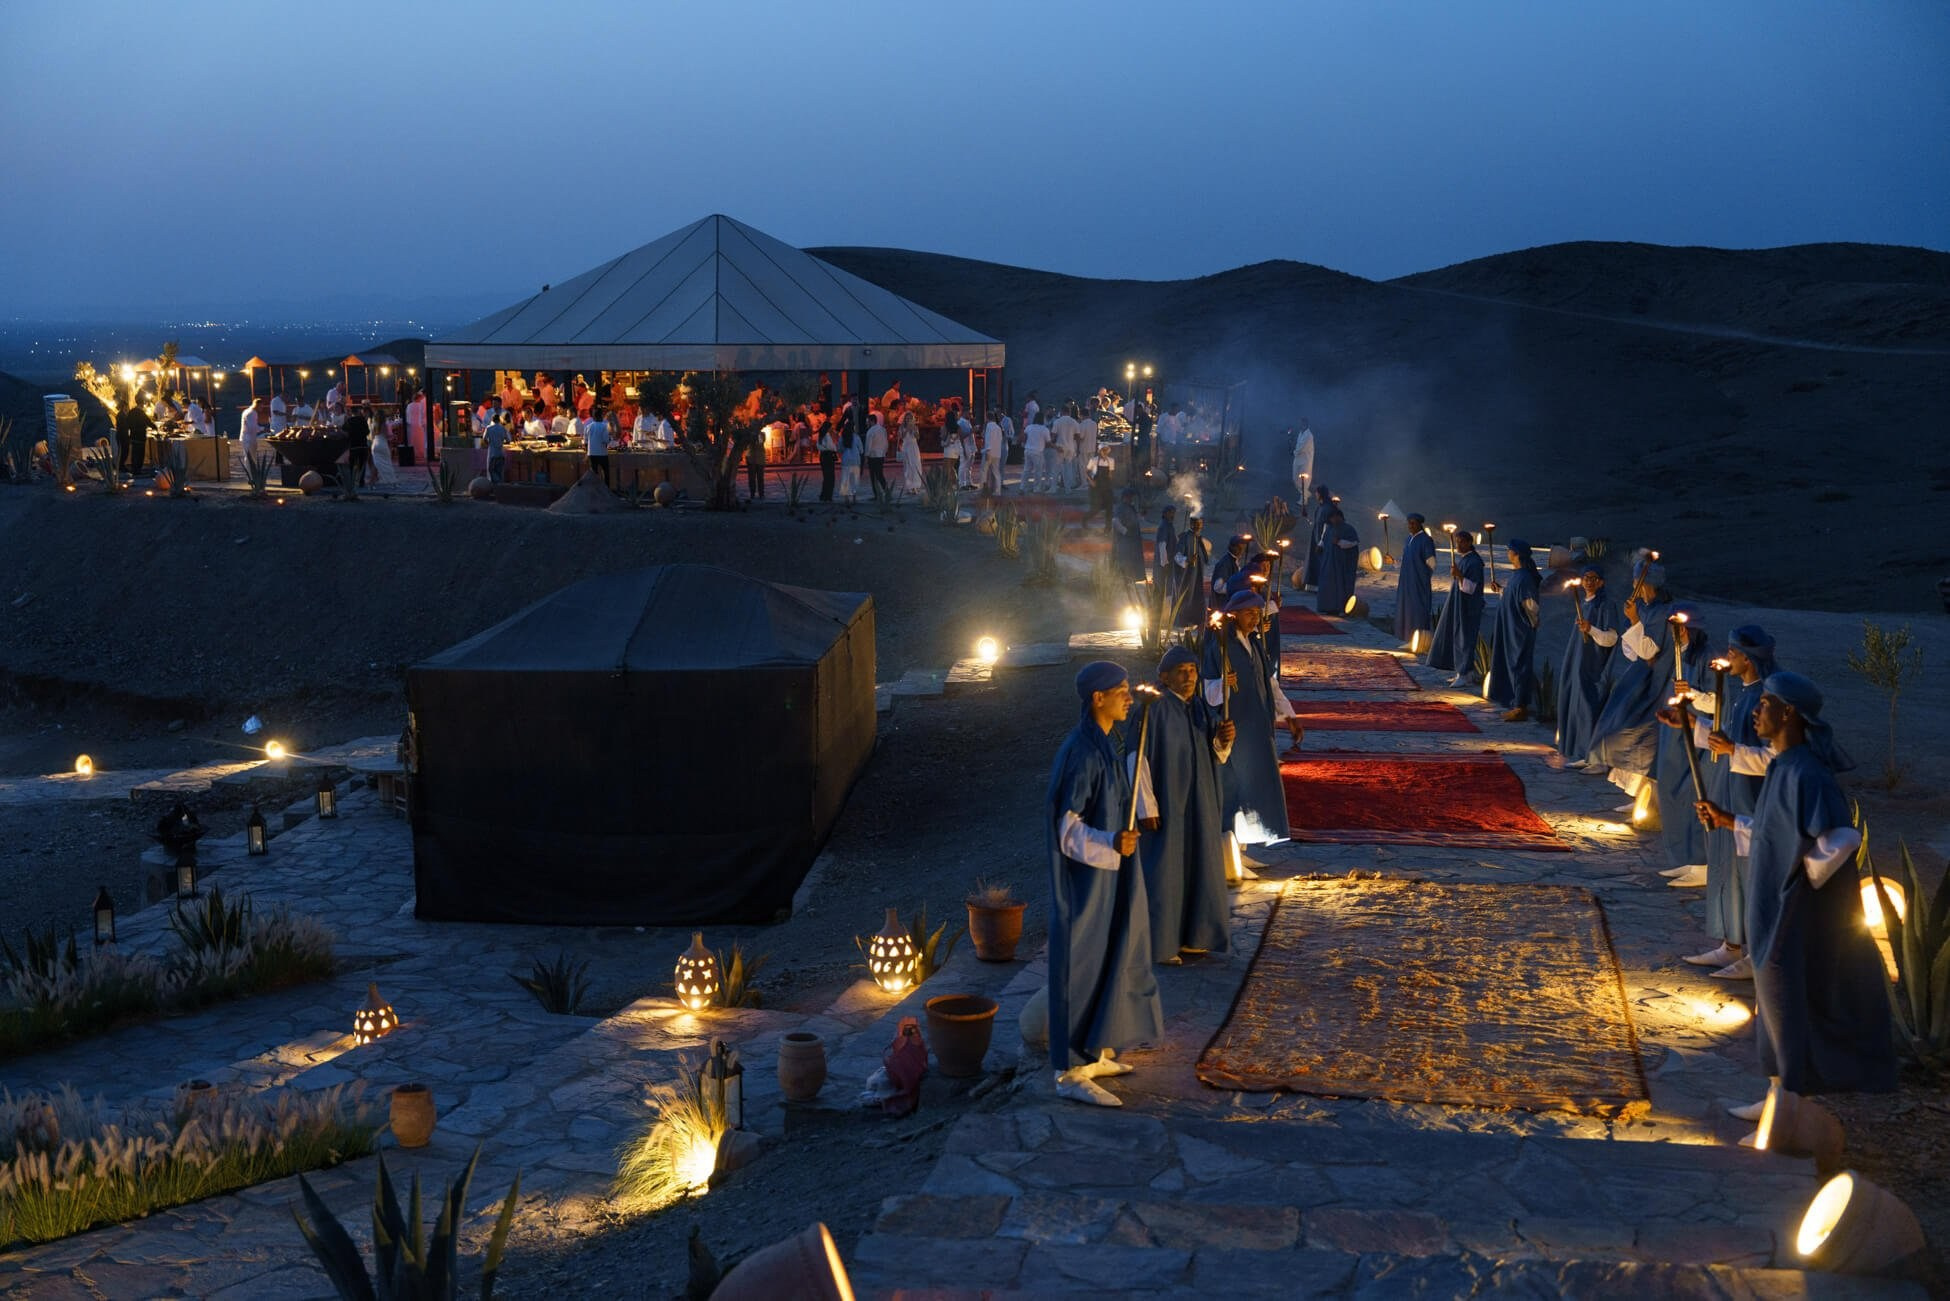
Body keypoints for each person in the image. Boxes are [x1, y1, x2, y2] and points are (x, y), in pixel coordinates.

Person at [1696, 672, 1895, 1118]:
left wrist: (1798, 880)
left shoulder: (1807, 772)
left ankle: (1790, 1101)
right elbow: (1778, 831)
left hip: (1792, 909)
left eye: (1765, 704)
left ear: (1789, 713)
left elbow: (1841, 837)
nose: (1756, 711)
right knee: (1771, 995)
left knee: (1786, 993)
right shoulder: (1783, 766)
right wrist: (1730, 821)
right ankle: (1778, 1093)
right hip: (1773, 903)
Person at [1046, 661, 1163, 1107]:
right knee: (1080, 963)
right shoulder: (1081, 753)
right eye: (1121, 691)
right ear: (1098, 698)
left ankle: (1092, 1051)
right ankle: (1069, 1070)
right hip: (1085, 884)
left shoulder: (1106, 745)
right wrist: (1111, 841)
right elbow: (1066, 829)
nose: (1129, 699)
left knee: (1109, 956)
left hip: (1111, 874)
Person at [1682, 626, 1777, 980]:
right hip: (1731, 789)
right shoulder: (1744, 694)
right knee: (1727, 865)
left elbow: (1776, 757)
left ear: (1749, 659)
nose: (1727, 658)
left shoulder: (1767, 697)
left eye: (1733, 653)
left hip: (1750, 797)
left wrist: (1733, 749)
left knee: (1750, 872)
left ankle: (1755, 952)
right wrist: (1696, 725)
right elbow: (1730, 739)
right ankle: (1731, 943)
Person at [1134, 646, 1236, 964]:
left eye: (1192, 670)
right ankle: (1162, 944)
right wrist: (1146, 807)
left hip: (1199, 802)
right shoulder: (1153, 709)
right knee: (1166, 870)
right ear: (1164, 677)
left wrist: (1224, 739)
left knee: (1200, 866)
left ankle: (1196, 935)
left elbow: (1215, 754)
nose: (1189, 676)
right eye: (1181, 671)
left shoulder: (1199, 707)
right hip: (1169, 804)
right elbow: (1136, 760)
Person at [1201, 589, 1302, 846]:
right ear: (1234, 614)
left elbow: (1270, 682)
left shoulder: (1255, 643)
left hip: (1259, 727)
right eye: (1249, 613)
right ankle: (1230, 847)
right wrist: (1223, 685)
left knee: (1258, 786)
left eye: (1257, 613)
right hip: (1237, 728)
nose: (1255, 618)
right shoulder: (1220, 646)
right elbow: (1207, 692)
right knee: (1235, 786)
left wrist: (1289, 715)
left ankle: (1244, 846)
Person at [1585, 563, 1674, 803]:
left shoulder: (1661, 612)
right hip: (1638, 676)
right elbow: (1632, 651)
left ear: (1645, 584)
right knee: (1618, 724)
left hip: (1656, 683)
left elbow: (1649, 650)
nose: (1633, 585)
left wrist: (1635, 621)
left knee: (1640, 734)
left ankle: (1644, 797)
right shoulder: (1643, 608)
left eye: (1636, 581)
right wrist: (1634, 621)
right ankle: (1635, 793)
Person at [1553, 567, 1623, 770]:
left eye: (1593, 578)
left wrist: (1590, 629)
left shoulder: (1606, 605)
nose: (1588, 581)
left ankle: (1593, 756)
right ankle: (1580, 751)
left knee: (1588, 705)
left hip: (1593, 664)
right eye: (1586, 577)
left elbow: (1611, 638)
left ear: (1601, 582)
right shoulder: (1584, 603)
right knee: (1577, 704)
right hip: (1578, 661)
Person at [1486, 539, 1544, 721]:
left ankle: (1520, 706)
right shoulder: (1518, 575)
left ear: (1517, 554)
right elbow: (1514, 596)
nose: (1508, 553)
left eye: (1509, 550)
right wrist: (1501, 590)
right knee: (1511, 662)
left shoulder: (1524, 578)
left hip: (1519, 630)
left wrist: (1532, 623)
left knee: (1518, 664)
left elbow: (1531, 605)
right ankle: (1513, 701)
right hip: (1511, 627)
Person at [1425, 529, 1486, 686]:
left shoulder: (1474, 562)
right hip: (1460, 605)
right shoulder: (1466, 559)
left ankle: (1464, 673)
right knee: (1458, 636)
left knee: (1465, 639)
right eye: (1457, 542)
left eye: (1461, 542)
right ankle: (1463, 672)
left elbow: (1471, 588)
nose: (1458, 545)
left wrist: (1459, 575)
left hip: (1468, 608)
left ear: (1469, 542)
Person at [1394, 513, 1435, 647]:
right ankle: (1407, 639)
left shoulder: (1426, 540)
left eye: (1413, 523)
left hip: (1418, 582)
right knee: (1407, 609)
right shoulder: (1408, 539)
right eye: (1409, 523)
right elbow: (1407, 559)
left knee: (1417, 609)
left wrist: (1422, 576)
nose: (1410, 526)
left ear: (1419, 524)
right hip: (1406, 581)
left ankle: (1419, 640)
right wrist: (1394, 561)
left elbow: (1431, 563)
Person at [1315, 507, 1359, 617]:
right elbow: (1324, 540)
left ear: (1340, 517)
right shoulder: (1329, 529)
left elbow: (1353, 543)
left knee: (1341, 585)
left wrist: (1339, 542)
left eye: (1334, 517)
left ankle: (1341, 608)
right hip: (1329, 562)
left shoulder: (1348, 529)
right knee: (1327, 584)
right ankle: (1327, 607)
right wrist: (1320, 546)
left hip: (1342, 564)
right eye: (1331, 518)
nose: (1333, 520)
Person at [1173, 514, 1211, 627]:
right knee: (1187, 598)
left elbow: (1205, 557)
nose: (1198, 526)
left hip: (1198, 575)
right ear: (1191, 524)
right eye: (1196, 524)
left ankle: (1196, 622)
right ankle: (1184, 623)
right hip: (1187, 577)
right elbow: (1177, 556)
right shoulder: (1185, 537)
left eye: (1200, 524)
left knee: (1197, 598)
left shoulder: (1199, 538)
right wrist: (1187, 560)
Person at [1112, 488, 1146, 584]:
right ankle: (1125, 581)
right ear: (1125, 497)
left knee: (1132, 562)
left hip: (1133, 541)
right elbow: (1115, 521)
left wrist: (1141, 516)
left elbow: (1134, 519)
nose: (1131, 499)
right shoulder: (1121, 508)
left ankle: (1131, 580)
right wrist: (1125, 531)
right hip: (1125, 541)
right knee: (1126, 561)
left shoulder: (1130, 507)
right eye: (1130, 497)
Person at [1302, 484, 1334, 588]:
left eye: (1316, 493)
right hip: (1316, 540)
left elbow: (1327, 526)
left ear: (1320, 494)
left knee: (1323, 564)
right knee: (1315, 564)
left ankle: (1323, 587)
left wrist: (1321, 543)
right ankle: (1314, 587)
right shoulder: (1320, 507)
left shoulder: (1328, 508)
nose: (1315, 494)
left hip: (1323, 542)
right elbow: (1316, 523)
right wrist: (1306, 517)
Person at [116, 396, 155, 477]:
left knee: (134, 453)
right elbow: (148, 422)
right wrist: (155, 427)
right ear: (142, 404)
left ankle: (134, 469)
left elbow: (127, 423)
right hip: (140, 436)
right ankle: (138, 470)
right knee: (140, 454)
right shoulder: (141, 413)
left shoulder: (131, 412)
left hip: (133, 436)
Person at [1209, 533, 1252, 604]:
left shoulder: (1234, 561)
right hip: (1222, 605)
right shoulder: (1225, 563)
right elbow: (1218, 587)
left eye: (1244, 547)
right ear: (1234, 548)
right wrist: (1238, 587)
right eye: (1241, 547)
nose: (1243, 550)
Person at [344, 404, 372, 486]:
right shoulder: (363, 420)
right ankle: (361, 481)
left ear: (351, 412)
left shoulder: (349, 421)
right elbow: (367, 432)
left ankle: (352, 481)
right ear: (358, 412)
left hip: (353, 446)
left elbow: (344, 430)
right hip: (363, 445)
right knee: (362, 465)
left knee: (352, 465)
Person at [1021, 411, 1049, 494]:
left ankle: (1022, 487)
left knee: (1026, 470)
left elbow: (1024, 438)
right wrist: (1056, 447)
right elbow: (1048, 442)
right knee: (1038, 471)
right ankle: (1036, 488)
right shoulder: (1044, 429)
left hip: (1027, 450)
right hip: (1038, 452)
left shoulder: (1029, 427)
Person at [898, 410, 925, 495]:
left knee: (916, 465)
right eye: (907, 418)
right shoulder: (902, 427)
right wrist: (907, 430)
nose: (908, 420)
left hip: (914, 447)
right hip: (906, 447)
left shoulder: (915, 427)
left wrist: (914, 430)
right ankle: (909, 486)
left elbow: (918, 437)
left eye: (910, 418)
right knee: (908, 466)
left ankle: (916, 485)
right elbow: (901, 437)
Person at [864, 413, 889, 502]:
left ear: (871, 421)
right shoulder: (883, 429)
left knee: (874, 476)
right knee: (880, 474)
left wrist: (866, 456)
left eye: (867, 421)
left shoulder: (870, 431)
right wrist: (884, 452)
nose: (866, 423)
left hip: (873, 456)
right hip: (881, 455)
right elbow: (886, 443)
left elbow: (868, 445)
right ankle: (886, 491)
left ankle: (877, 494)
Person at [980, 412, 1006, 495]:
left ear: (987, 418)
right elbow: (1000, 439)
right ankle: (998, 491)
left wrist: (987, 450)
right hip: (997, 452)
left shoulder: (989, 426)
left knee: (984, 470)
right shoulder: (998, 427)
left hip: (989, 452)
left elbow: (988, 439)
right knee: (996, 472)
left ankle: (983, 489)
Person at [584, 407, 611, 486]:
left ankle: (594, 491)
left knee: (594, 475)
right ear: (601, 416)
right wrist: (609, 439)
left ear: (593, 417)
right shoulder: (605, 426)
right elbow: (606, 440)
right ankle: (606, 490)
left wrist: (587, 452)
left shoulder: (588, 427)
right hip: (602, 453)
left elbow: (585, 442)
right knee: (605, 473)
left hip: (591, 454)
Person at [1290, 419, 1315, 501]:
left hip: (1306, 461)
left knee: (1304, 480)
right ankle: (1306, 493)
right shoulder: (1300, 433)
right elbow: (1298, 445)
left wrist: (1294, 452)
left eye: (1302, 424)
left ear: (1305, 424)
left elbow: (1302, 447)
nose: (1300, 425)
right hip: (1298, 459)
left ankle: (1304, 500)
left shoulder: (1309, 436)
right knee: (1295, 479)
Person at [838, 420, 862, 502]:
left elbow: (839, 449)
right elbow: (861, 449)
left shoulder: (842, 437)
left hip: (846, 459)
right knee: (854, 479)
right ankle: (854, 497)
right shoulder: (856, 437)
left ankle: (846, 498)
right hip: (855, 459)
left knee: (845, 479)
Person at [239, 397, 268, 463]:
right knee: (251, 458)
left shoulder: (246, 411)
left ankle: (249, 469)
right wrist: (264, 429)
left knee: (248, 457)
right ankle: (251, 469)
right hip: (249, 439)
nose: (262, 408)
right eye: (261, 406)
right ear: (257, 405)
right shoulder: (252, 413)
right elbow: (252, 427)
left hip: (245, 438)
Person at [816, 416, 839, 502]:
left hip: (823, 456)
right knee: (830, 477)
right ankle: (828, 495)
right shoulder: (827, 435)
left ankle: (824, 495)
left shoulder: (820, 436)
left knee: (826, 477)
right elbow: (831, 447)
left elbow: (819, 446)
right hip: (828, 456)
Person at [483, 410, 508, 484]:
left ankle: (494, 487)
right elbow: (508, 440)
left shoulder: (488, 428)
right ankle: (500, 486)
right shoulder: (503, 428)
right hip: (501, 453)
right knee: (500, 472)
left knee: (491, 471)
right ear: (499, 420)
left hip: (492, 453)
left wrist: (489, 444)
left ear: (492, 420)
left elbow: (484, 439)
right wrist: (501, 442)